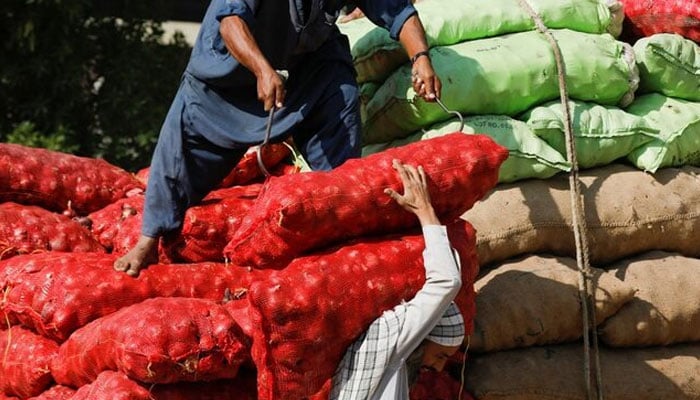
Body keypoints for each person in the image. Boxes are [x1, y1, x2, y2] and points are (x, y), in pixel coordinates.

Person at [114, 0, 443, 276]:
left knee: (340, 94)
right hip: (228, 75)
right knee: (181, 148)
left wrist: (421, 58)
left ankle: (338, 229)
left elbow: (399, 12)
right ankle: (148, 239)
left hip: (307, 69)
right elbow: (230, 22)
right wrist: (261, 69)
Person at [330, 159, 465, 399]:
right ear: (423, 331)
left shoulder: (389, 364)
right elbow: (447, 282)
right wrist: (426, 213)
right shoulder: (390, 342)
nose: (438, 367)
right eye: (440, 355)